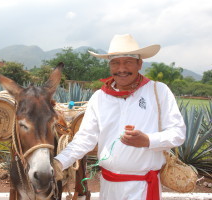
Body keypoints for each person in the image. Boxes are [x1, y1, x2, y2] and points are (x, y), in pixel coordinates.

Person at [54, 34, 186, 200]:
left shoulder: (158, 91)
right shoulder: (100, 97)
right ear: (110, 66)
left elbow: (178, 133)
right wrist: (59, 162)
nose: (121, 68)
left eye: (128, 62)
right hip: (109, 188)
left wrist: (148, 140)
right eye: (115, 62)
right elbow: (85, 138)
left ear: (140, 64)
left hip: (144, 188)